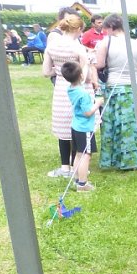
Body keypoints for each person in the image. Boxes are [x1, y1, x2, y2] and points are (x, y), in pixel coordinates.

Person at [95, 13, 137, 170]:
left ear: (110, 27)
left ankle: (119, 159)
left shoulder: (105, 42)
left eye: (105, 29)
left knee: (118, 124)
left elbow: (100, 64)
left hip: (116, 88)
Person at [42, 13, 89, 178]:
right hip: (76, 88)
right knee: (77, 125)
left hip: (61, 89)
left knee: (63, 128)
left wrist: (58, 71)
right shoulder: (77, 47)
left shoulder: (52, 46)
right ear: (77, 29)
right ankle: (78, 165)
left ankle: (65, 167)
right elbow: (84, 74)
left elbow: (46, 72)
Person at [60, 61, 100, 192]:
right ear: (82, 76)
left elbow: (78, 79)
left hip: (76, 127)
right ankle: (83, 184)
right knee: (86, 155)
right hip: (85, 128)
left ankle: (77, 179)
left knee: (78, 154)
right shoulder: (84, 94)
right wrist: (98, 103)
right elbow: (88, 112)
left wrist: (87, 65)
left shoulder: (71, 89)